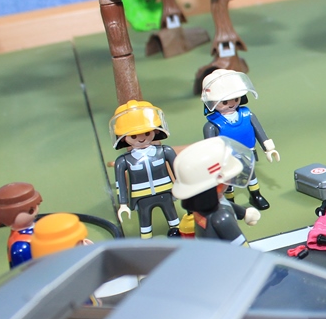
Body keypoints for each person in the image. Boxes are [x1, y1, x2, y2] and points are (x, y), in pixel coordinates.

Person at [201, 69, 279, 210]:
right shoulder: (212, 125)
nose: (231, 104)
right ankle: (230, 203)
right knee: (228, 181)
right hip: (227, 157)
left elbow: (259, 131)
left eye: (236, 99)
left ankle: (256, 195)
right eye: (225, 101)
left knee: (251, 176)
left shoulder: (247, 115)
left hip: (247, 152)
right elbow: (210, 147)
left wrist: (269, 148)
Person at [110, 100, 181, 238]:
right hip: (141, 198)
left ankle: (179, 235)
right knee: (145, 224)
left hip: (165, 192)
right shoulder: (123, 161)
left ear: (156, 130)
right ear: (123, 138)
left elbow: (178, 170)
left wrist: (184, 187)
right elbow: (120, 184)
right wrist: (123, 203)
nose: (141, 138)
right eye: (134, 136)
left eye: (147, 133)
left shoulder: (164, 151)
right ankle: (146, 242)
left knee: (174, 219)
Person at [172, 137, 260, 246]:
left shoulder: (200, 210)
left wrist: (244, 213)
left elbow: (224, 203)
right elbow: (241, 247)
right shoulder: (222, 218)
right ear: (218, 184)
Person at [0, 182, 42, 268]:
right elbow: (27, 271)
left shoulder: (38, 226)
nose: (35, 211)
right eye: (30, 210)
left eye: (36, 205)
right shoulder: (21, 246)